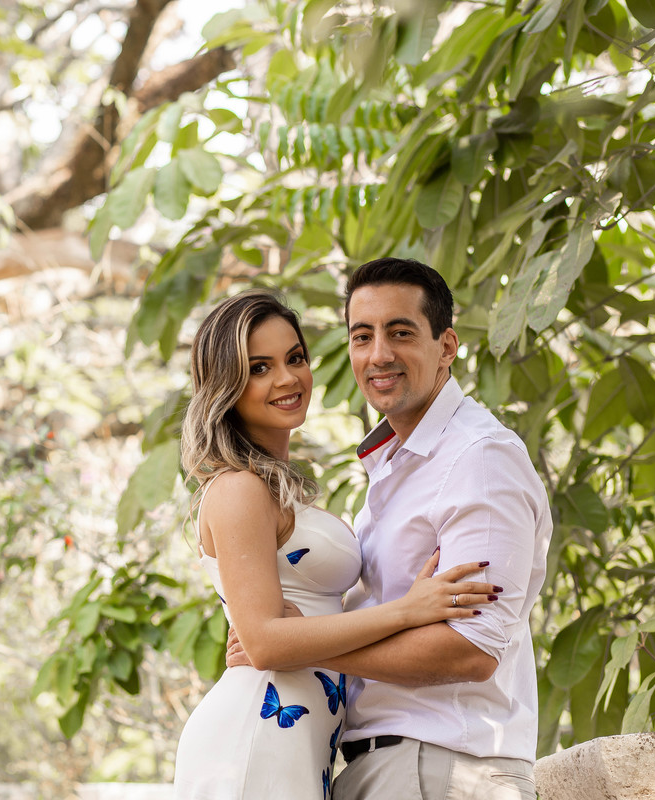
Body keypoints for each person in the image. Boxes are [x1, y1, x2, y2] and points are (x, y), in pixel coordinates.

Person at [228, 258, 553, 799]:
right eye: (362, 336)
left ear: (446, 346)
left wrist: (296, 645)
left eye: (400, 333)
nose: (378, 355)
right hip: (385, 768)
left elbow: (470, 651)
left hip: (442, 766)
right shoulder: (395, 467)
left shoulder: (479, 458)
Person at [172, 289, 499, 800]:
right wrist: (406, 612)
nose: (286, 379)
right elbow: (264, 642)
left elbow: (287, 620)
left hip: (308, 739)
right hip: (260, 731)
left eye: (294, 358)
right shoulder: (239, 487)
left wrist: (309, 630)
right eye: (258, 368)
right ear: (226, 386)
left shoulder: (277, 488)